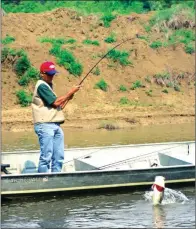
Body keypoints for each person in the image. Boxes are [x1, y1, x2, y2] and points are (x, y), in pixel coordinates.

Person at [31, 61, 80, 173]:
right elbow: (56, 102)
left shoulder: (48, 86)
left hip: (55, 124)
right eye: (49, 74)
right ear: (42, 73)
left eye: (53, 74)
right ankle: (43, 181)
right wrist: (70, 92)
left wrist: (69, 96)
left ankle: (56, 178)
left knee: (59, 156)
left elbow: (59, 105)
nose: (52, 76)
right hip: (45, 125)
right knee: (46, 156)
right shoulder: (41, 85)